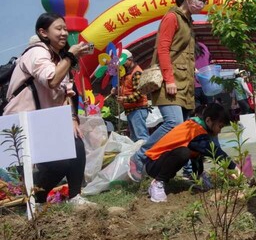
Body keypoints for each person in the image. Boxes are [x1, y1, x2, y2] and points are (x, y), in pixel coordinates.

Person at [4, 12, 94, 206]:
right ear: (43, 32)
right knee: (58, 164)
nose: (64, 33)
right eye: (58, 29)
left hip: (43, 120)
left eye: (65, 29)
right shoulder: (36, 53)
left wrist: (72, 119)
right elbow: (52, 80)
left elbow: (67, 93)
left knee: (76, 140)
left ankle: (75, 197)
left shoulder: (59, 58)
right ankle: (36, 197)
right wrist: (71, 56)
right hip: (20, 121)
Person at [129, 0, 210, 182]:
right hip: (170, 82)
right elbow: (162, 49)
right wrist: (169, 79)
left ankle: (189, 172)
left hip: (184, 83)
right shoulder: (172, 17)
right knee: (173, 123)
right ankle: (139, 156)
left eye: (205, 1)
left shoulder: (187, 20)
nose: (202, 4)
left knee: (184, 131)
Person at [144, 103, 238, 202]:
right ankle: (158, 182)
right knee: (184, 152)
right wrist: (234, 168)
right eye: (220, 126)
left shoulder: (197, 127)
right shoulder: (195, 131)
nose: (219, 131)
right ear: (208, 121)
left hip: (160, 161)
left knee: (196, 151)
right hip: (153, 164)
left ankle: (197, 176)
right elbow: (215, 152)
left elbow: (198, 153)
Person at [111, 49, 149, 142]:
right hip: (131, 110)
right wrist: (116, 91)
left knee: (141, 137)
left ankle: (146, 155)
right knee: (135, 138)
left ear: (130, 59)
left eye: (124, 61)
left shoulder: (136, 72)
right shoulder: (126, 74)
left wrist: (125, 99)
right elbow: (127, 89)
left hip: (138, 109)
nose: (122, 64)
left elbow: (140, 93)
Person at [194, 41, 211, 108]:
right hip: (207, 85)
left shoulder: (188, 49)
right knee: (209, 109)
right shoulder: (204, 47)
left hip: (194, 85)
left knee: (197, 109)